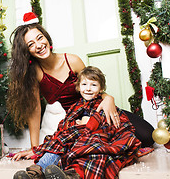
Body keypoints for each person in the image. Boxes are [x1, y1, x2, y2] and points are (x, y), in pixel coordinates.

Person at [13, 66, 142, 179]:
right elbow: (64, 125)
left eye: (93, 85)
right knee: (58, 142)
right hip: (74, 136)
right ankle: (36, 175)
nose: (88, 88)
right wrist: (75, 125)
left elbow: (113, 124)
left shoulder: (103, 104)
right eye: (84, 84)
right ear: (78, 87)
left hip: (95, 136)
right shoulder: (75, 106)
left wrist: (90, 123)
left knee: (92, 148)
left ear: (101, 89)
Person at [7, 12, 124, 162]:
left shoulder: (73, 61)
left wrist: (109, 99)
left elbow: (94, 87)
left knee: (144, 134)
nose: (38, 45)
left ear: (46, 37)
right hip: (67, 123)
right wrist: (34, 147)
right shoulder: (35, 73)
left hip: (90, 112)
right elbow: (34, 109)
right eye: (30, 44)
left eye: (40, 38)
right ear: (26, 52)